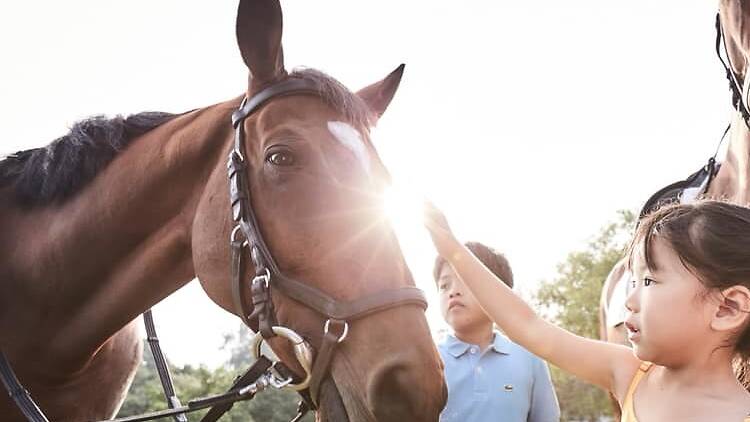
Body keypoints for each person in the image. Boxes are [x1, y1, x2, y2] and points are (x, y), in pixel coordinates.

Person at [424, 200, 750, 421]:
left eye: (649, 281)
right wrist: (451, 249)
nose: (629, 301)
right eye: (631, 282)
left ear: (727, 307)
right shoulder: (631, 374)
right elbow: (529, 327)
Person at [435, 241, 560, 422]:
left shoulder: (529, 358)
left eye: (465, 280)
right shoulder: (430, 361)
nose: (453, 292)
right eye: (444, 286)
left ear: (499, 293)